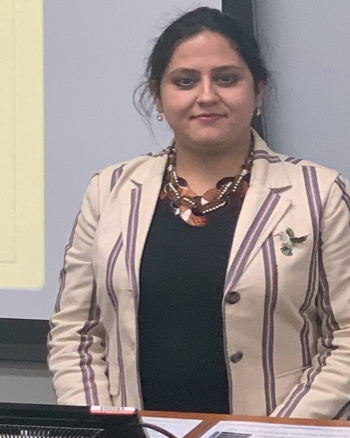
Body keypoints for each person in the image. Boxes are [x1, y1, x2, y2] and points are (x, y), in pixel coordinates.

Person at [48, 7, 350, 419]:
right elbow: (76, 334)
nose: (206, 96)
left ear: (258, 90)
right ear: (158, 96)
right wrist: (101, 425)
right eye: (185, 81)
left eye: (227, 79)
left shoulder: (319, 192)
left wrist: (277, 432)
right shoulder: (110, 189)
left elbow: (346, 338)